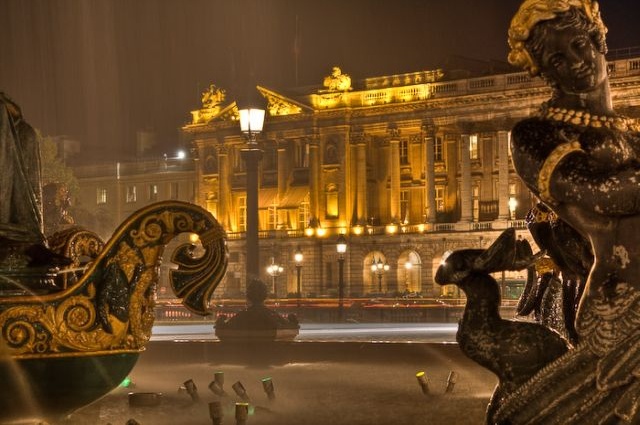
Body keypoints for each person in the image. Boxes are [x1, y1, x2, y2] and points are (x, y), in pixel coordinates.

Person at [487, 0, 640, 422]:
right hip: (625, 301)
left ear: (598, 40)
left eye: (578, 45)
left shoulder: (631, 130)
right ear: (543, 70)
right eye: (556, 58)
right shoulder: (535, 135)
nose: (575, 63)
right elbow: (606, 194)